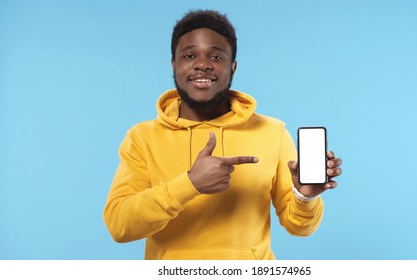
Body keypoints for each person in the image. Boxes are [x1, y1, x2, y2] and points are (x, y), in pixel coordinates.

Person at [103, 9, 343, 260]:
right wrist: (189, 184)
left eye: (216, 56)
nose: (202, 64)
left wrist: (304, 196)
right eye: (189, 55)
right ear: (174, 65)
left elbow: (300, 227)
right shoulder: (142, 137)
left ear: (233, 67)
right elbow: (120, 226)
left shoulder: (273, 132)